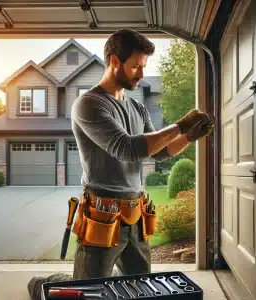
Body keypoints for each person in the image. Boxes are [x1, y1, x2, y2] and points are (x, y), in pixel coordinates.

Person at [27, 28, 214, 300]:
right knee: (87, 292)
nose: (141, 73)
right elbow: (127, 149)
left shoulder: (137, 108)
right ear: (115, 61)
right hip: (102, 214)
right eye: (136, 66)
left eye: (143, 66)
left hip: (136, 214)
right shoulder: (88, 104)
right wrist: (180, 125)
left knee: (139, 289)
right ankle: (40, 285)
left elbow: (158, 153)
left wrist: (188, 136)